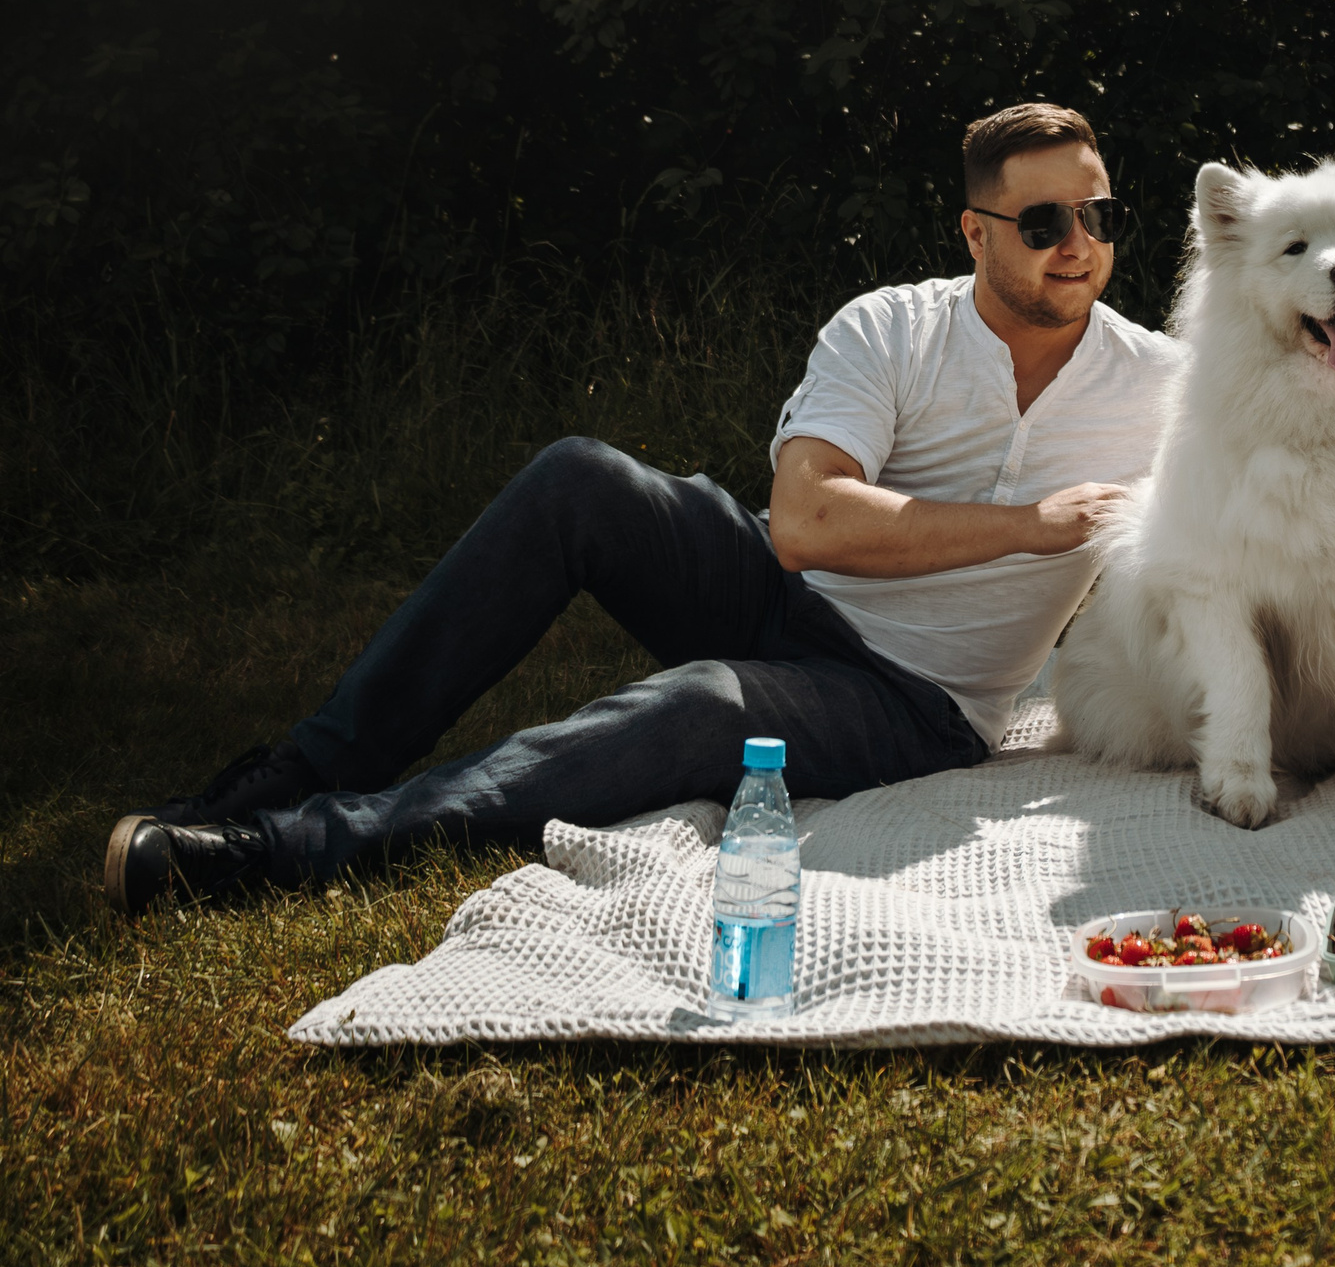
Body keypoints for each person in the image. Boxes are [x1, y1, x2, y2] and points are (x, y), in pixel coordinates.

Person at [104, 103, 1181, 911]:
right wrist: (1033, 525)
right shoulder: (890, 327)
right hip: (780, 583)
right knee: (585, 479)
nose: (1076, 240)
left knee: (702, 706)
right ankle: (299, 772)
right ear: (975, 233)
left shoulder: (1161, 384)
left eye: (1097, 213)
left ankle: (285, 853)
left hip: (913, 701)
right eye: (1042, 219)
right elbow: (806, 526)